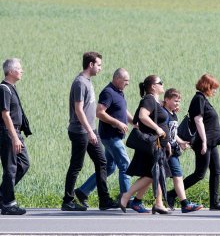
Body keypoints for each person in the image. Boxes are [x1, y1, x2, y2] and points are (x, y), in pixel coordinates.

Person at [62, 52, 119, 212]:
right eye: (99, 65)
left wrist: (92, 130)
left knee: (102, 163)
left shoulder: (87, 81)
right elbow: (78, 110)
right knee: (76, 165)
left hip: (89, 130)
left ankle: (104, 200)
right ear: (91, 65)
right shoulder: (80, 83)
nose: (100, 68)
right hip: (80, 131)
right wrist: (89, 131)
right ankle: (68, 201)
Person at [74, 68, 134, 207]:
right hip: (111, 136)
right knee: (125, 165)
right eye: (126, 81)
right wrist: (118, 123)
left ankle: (83, 191)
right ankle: (126, 199)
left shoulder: (119, 92)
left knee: (109, 168)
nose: (127, 84)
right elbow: (100, 113)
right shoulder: (108, 92)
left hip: (114, 136)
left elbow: (123, 110)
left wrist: (134, 123)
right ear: (118, 79)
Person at [168, 73, 220, 210]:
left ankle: (214, 202)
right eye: (213, 87)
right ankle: (171, 195)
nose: (215, 90)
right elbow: (198, 120)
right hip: (203, 142)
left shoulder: (204, 99)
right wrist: (205, 142)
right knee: (199, 174)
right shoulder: (199, 99)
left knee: (216, 170)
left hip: (211, 142)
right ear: (207, 86)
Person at [120, 75, 170, 214]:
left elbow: (138, 120)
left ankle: (156, 203)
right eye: (160, 82)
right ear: (153, 86)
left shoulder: (154, 101)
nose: (162, 84)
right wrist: (157, 129)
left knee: (156, 173)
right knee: (152, 174)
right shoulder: (149, 99)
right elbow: (142, 116)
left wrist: (167, 142)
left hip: (158, 145)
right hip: (151, 145)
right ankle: (127, 196)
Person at [161, 88, 202, 213]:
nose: (177, 104)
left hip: (173, 150)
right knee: (176, 175)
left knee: (171, 176)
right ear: (166, 99)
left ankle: (135, 199)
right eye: (175, 101)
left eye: (179, 102)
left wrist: (181, 142)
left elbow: (173, 133)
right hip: (167, 151)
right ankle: (184, 204)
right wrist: (167, 142)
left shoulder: (173, 114)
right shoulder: (164, 113)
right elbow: (163, 131)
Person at [1, 58, 30, 215]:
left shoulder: (11, 88)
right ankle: (8, 204)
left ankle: (2, 196)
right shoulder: (4, 89)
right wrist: (14, 137)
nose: (22, 70)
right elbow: (5, 114)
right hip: (8, 133)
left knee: (24, 164)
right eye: (19, 68)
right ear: (11, 71)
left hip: (15, 133)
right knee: (10, 168)